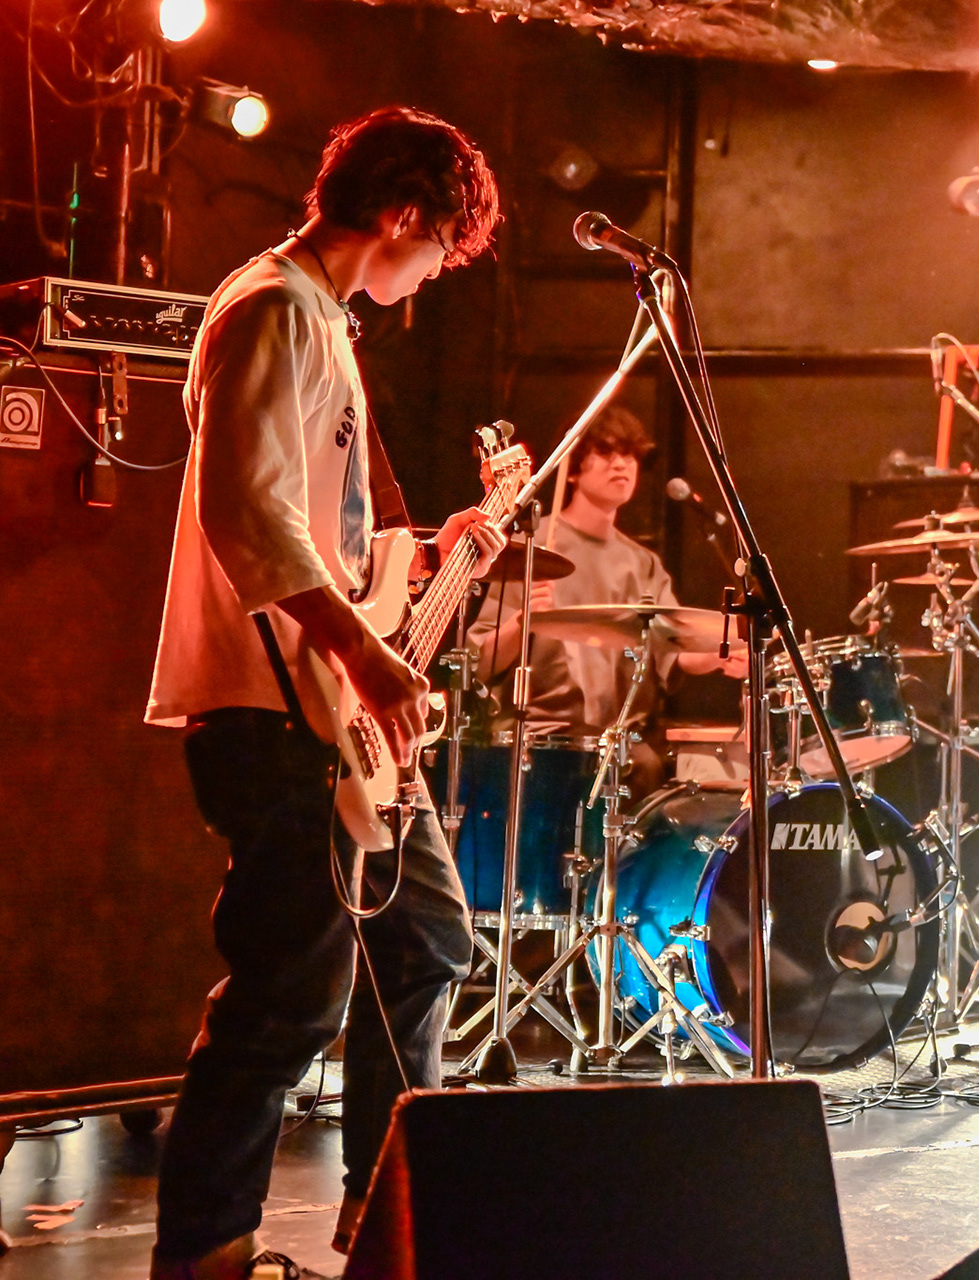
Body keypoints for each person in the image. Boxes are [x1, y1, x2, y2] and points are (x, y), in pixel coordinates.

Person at [144, 107, 504, 1279]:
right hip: (270, 707)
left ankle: (386, 1219)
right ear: (403, 215)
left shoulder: (326, 324)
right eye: (441, 247)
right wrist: (360, 650)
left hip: (325, 705)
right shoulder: (269, 307)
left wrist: (430, 550)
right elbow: (245, 510)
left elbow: (326, 534)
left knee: (428, 938)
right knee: (290, 992)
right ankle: (203, 1251)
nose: (436, 272)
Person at [465, 404, 745, 793]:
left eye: (630, 455)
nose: (621, 464)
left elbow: (674, 650)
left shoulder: (642, 563)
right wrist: (522, 619)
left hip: (621, 748)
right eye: (606, 451)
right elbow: (479, 662)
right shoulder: (529, 548)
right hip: (539, 743)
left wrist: (722, 653)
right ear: (573, 469)